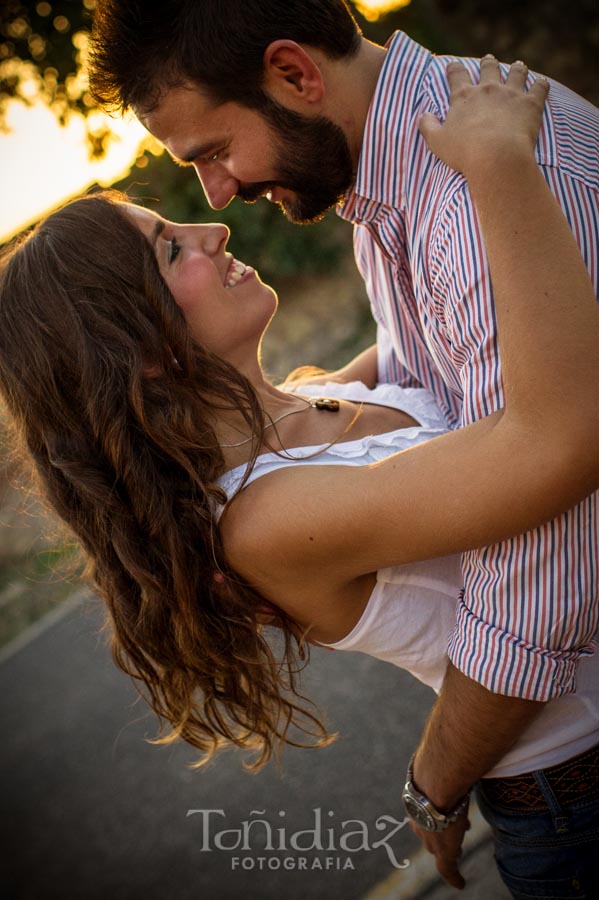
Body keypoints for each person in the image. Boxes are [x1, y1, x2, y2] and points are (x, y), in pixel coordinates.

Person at [1, 67, 597, 897]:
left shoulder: (319, 389)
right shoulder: (262, 520)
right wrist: (498, 165)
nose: (211, 229)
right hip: (577, 800)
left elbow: (451, 320)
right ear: (137, 348)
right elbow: (549, 442)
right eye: (172, 248)